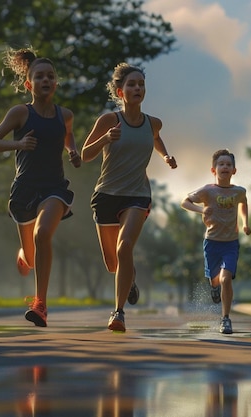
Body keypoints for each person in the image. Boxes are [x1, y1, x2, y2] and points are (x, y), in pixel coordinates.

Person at [0, 47, 81, 327]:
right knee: (30, 255)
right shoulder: (19, 113)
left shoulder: (65, 115)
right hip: (24, 189)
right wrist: (18, 144)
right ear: (29, 84)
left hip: (54, 188)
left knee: (42, 235)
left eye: (50, 76)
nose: (46, 80)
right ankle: (23, 256)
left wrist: (72, 151)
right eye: (39, 77)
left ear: (56, 82)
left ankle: (40, 305)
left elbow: (68, 136)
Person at [81, 62, 177, 332]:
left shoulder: (153, 122)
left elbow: (155, 137)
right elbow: (85, 155)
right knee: (113, 264)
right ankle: (129, 278)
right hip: (106, 194)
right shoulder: (109, 121)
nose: (137, 88)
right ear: (120, 91)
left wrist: (166, 155)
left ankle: (118, 313)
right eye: (132, 85)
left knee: (125, 249)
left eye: (141, 84)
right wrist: (105, 139)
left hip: (137, 195)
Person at [180, 149, 251, 334]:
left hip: (230, 244)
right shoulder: (207, 190)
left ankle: (225, 319)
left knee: (226, 279)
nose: (225, 167)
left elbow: (243, 203)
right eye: (221, 164)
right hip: (211, 243)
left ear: (234, 170)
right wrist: (200, 210)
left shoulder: (239, 191)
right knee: (215, 281)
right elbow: (185, 201)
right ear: (214, 170)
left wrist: (245, 224)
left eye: (228, 164)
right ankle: (214, 287)